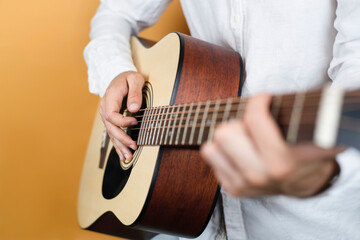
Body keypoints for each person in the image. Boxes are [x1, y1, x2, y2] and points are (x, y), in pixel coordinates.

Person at [84, 1, 360, 239]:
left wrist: (322, 167)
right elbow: (115, 13)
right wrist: (114, 71)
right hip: (192, 218)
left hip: (308, 223)